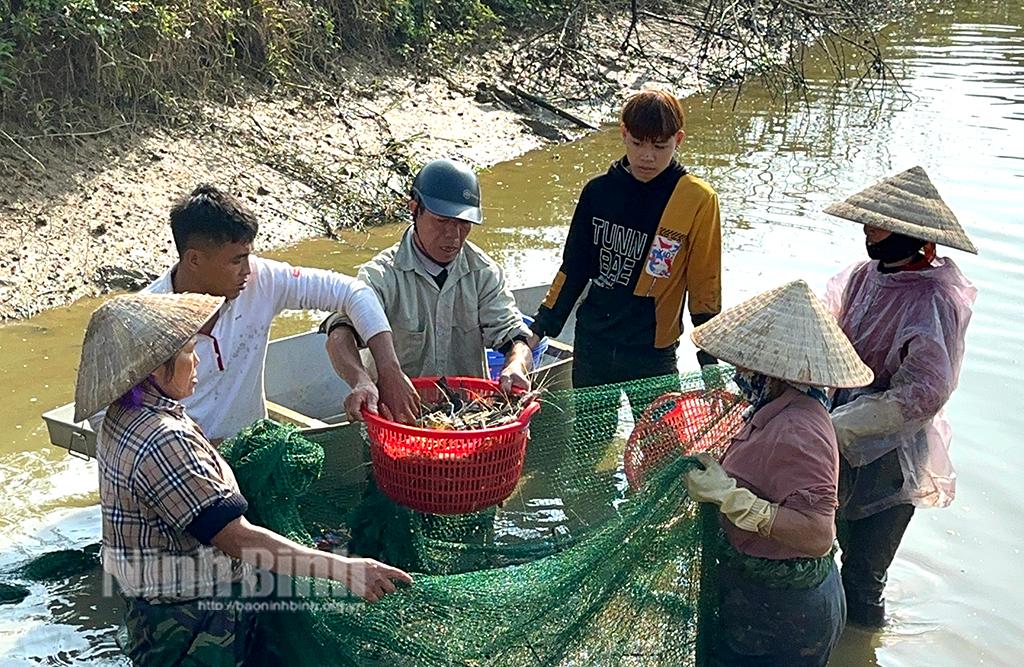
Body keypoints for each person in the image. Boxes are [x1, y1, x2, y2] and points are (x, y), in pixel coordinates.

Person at [74, 293, 412, 666]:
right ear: (154, 369)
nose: (197, 359)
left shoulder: (122, 417)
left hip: (151, 606)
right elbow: (237, 538)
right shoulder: (162, 438)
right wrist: (346, 569)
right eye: (188, 351)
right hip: (191, 617)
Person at [681, 279, 873, 667]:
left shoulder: (798, 428)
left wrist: (731, 499)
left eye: (744, 361)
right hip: (762, 599)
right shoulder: (776, 407)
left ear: (772, 371)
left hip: (785, 616)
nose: (737, 369)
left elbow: (818, 534)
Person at [822, 166, 977, 628]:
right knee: (821, 553)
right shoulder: (861, 277)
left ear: (918, 240)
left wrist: (842, 425)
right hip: (839, 435)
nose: (871, 233)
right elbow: (827, 337)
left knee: (865, 577)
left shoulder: (934, 298)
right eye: (869, 224)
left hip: (891, 454)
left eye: (881, 226)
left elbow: (924, 392)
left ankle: (862, 647)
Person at [138, 183, 416, 442]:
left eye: (248, 256)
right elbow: (109, 417)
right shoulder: (143, 319)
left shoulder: (261, 280)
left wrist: (384, 372)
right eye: (237, 260)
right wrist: (195, 447)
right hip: (184, 464)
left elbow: (354, 292)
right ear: (194, 259)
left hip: (253, 451)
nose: (248, 270)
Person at [529, 88, 722, 436]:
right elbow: (573, 269)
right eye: (637, 143)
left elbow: (704, 289)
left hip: (652, 353)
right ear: (623, 134)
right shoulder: (598, 192)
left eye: (660, 146)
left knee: (663, 451)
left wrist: (710, 367)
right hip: (593, 346)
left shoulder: (696, 200)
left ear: (678, 140)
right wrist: (538, 330)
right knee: (589, 447)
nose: (647, 156)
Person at [322, 158, 536, 423]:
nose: (453, 236)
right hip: (398, 421)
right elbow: (339, 335)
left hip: (467, 421)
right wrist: (360, 381)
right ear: (414, 209)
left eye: (463, 224)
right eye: (442, 221)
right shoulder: (381, 276)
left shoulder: (483, 273)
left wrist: (516, 365)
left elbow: (516, 339)